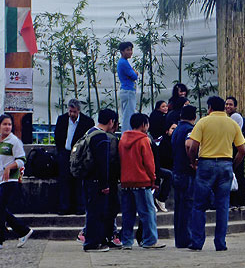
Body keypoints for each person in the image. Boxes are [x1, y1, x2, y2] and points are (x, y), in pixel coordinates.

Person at [186, 95, 245, 251]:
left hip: (206, 163)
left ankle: (197, 242)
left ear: (210, 108)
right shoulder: (232, 124)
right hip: (226, 164)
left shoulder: (203, 122)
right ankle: (220, 243)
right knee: (223, 205)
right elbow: (242, 150)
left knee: (199, 205)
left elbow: (193, 147)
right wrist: (232, 165)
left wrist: (193, 162)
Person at [0, 113, 33, 249]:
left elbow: (21, 160)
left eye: (9, 124)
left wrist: (9, 167)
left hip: (10, 178)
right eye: (5, 124)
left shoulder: (15, 142)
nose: (7, 127)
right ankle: (23, 230)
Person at [119, 112, 165, 249]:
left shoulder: (122, 139)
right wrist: (153, 178)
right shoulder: (144, 140)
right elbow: (149, 163)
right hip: (141, 181)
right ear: (144, 125)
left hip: (126, 181)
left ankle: (126, 241)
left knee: (128, 214)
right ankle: (150, 240)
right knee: (147, 213)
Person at [82, 108, 120, 253]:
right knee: (96, 212)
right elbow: (102, 163)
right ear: (111, 122)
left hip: (88, 178)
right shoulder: (102, 137)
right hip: (97, 181)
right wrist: (105, 184)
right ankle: (92, 243)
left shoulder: (90, 132)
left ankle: (99, 240)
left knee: (93, 210)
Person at [54, 98, 95, 215]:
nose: (72, 114)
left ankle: (80, 207)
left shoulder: (87, 122)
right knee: (64, 180)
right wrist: (61, 151)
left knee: (79, 181)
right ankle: (64, 207)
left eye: (74, 112)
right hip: (65, 153)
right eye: (70, 111)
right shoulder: (62, 120)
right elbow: (57, 136)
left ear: (79, 111)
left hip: (79, 155)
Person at [171, 104, 197, 248]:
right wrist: (193, 161)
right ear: (194, 117)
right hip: (186, 172)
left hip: (176, 170)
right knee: (187, 206)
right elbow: (189, 144)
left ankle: (179, 239)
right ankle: (187, 238)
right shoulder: (189, 129)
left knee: (179, 207)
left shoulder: (177, 129)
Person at [225, 96, 245, 207]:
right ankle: (240, 201)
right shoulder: (241, 119)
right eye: (226, 104)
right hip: (237, 148)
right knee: (238, 175)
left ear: (235, 106)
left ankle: (237, 201)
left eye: (230, 104)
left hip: (235, 149)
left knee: (236, 175)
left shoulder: (235, 117)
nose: (228, 106)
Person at [117, 42, 139, 134]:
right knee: (128, 116)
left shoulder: (123, 62)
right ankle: (127, 136)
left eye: (131, 50)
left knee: (127, 114)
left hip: (126, 90)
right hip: (128, 91)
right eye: (128, 50)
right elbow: (134, 76)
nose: (130, 52)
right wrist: (135, 73)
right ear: (122, 51)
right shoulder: (123, 62)